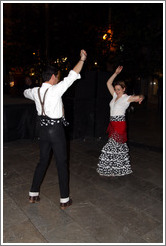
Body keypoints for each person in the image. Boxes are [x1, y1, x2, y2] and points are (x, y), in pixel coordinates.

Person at [23, 49, 87, 209]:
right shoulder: (55, 90)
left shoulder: (35, 91)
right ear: (52, 77)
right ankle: (64, 199)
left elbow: (25, 92)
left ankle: (33, 194)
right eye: (57, 76)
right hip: (56, 131)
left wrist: (31, 90)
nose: (58, 79)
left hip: (43, 131)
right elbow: (72, 75)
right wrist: (82, 59)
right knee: (61, 163)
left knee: (42, 161)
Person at [96, 66, 144, 177]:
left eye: (119, 89)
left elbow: (138, 96)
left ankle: (112, 168)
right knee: (118, 147)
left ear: (124, 89)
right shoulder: (114, 96)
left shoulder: (126, 98)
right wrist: (115, 73)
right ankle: (119, 169)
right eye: (116, 89)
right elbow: (108, 83)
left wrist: (141, 97)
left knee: (110, 147)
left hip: (119, 124)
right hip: (112, 124)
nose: (117, 91)